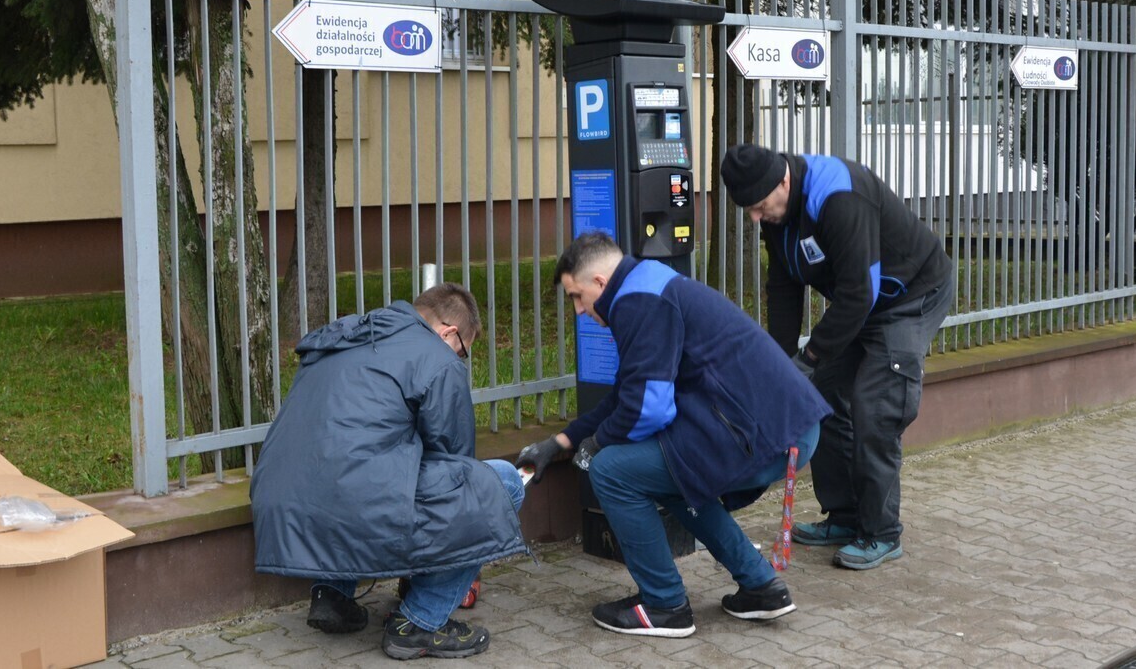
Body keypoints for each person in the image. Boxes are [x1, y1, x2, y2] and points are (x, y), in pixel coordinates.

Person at [516, 232, 831, 639]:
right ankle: (761, 587)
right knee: (662, 475)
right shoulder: (645, 283)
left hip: (767, 433)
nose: (579, 310)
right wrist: (563, 441)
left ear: (598, 282)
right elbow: (629, 392)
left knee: (613, 471)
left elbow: (649, 408)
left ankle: (665, 606)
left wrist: (598, 445)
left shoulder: (637, 301)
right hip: (784, 425)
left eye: (577, 297)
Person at [250, 283, 526, 661]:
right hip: (352, 498)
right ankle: (418, 624)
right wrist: (454, 558)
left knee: (357, 472)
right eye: (463, 351)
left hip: (281, 495)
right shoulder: (436, 357)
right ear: (448, 333)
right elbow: (455, 461)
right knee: (502, 483)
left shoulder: (346, 334)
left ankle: (332, 594)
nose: (460, 360)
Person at [719, 143, 955, 571]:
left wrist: (808, 357)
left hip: (912, 295)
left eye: (757, 206)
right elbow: (784, 287)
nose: (755, 218)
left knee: (875, 403)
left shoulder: (838, 196)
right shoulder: (778, 210)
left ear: (783, 181)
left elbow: (858, 294)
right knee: (821, 394)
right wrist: (782, 364)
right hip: (864, 302)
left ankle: (881, 532)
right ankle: (845, 517)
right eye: (747, 210)